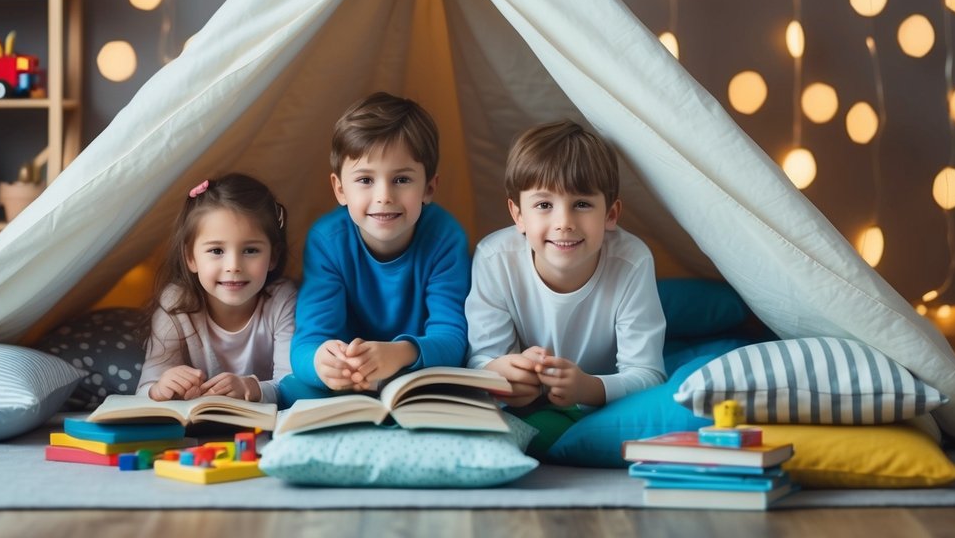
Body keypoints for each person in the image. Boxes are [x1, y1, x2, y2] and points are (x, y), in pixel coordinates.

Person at [465, 120, 666, 458]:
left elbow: (648, 374)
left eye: (582, 204)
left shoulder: (632, 262)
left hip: (593, 397)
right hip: (528, 403)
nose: (564, 222)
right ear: (518, 215)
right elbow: (481, 358)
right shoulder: (494, 258)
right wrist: (503, 372)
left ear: (610, 214)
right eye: (544, 205)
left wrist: (588, 387)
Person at [284, 92, 471, 400]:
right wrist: (322, 361)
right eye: (366, 180)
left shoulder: (445, 237)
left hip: (415, 375)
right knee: (294, 388)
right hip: (350, 381)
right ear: (340, 189)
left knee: (459, 389)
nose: (384, 196)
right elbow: (307, 342)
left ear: (429, 188)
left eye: (401, 180)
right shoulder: (327, 240)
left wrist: (400, 354)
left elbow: (453, 339)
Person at [137, 173, 296, 405]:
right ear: (191, 257)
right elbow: (143, 389)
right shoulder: (175, 304)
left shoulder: (282, 299)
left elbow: (291, 384)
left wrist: (251, 388)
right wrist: (159, 389)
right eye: (217, 251)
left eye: (250, 250)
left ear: (273, 256)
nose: (233, 266)